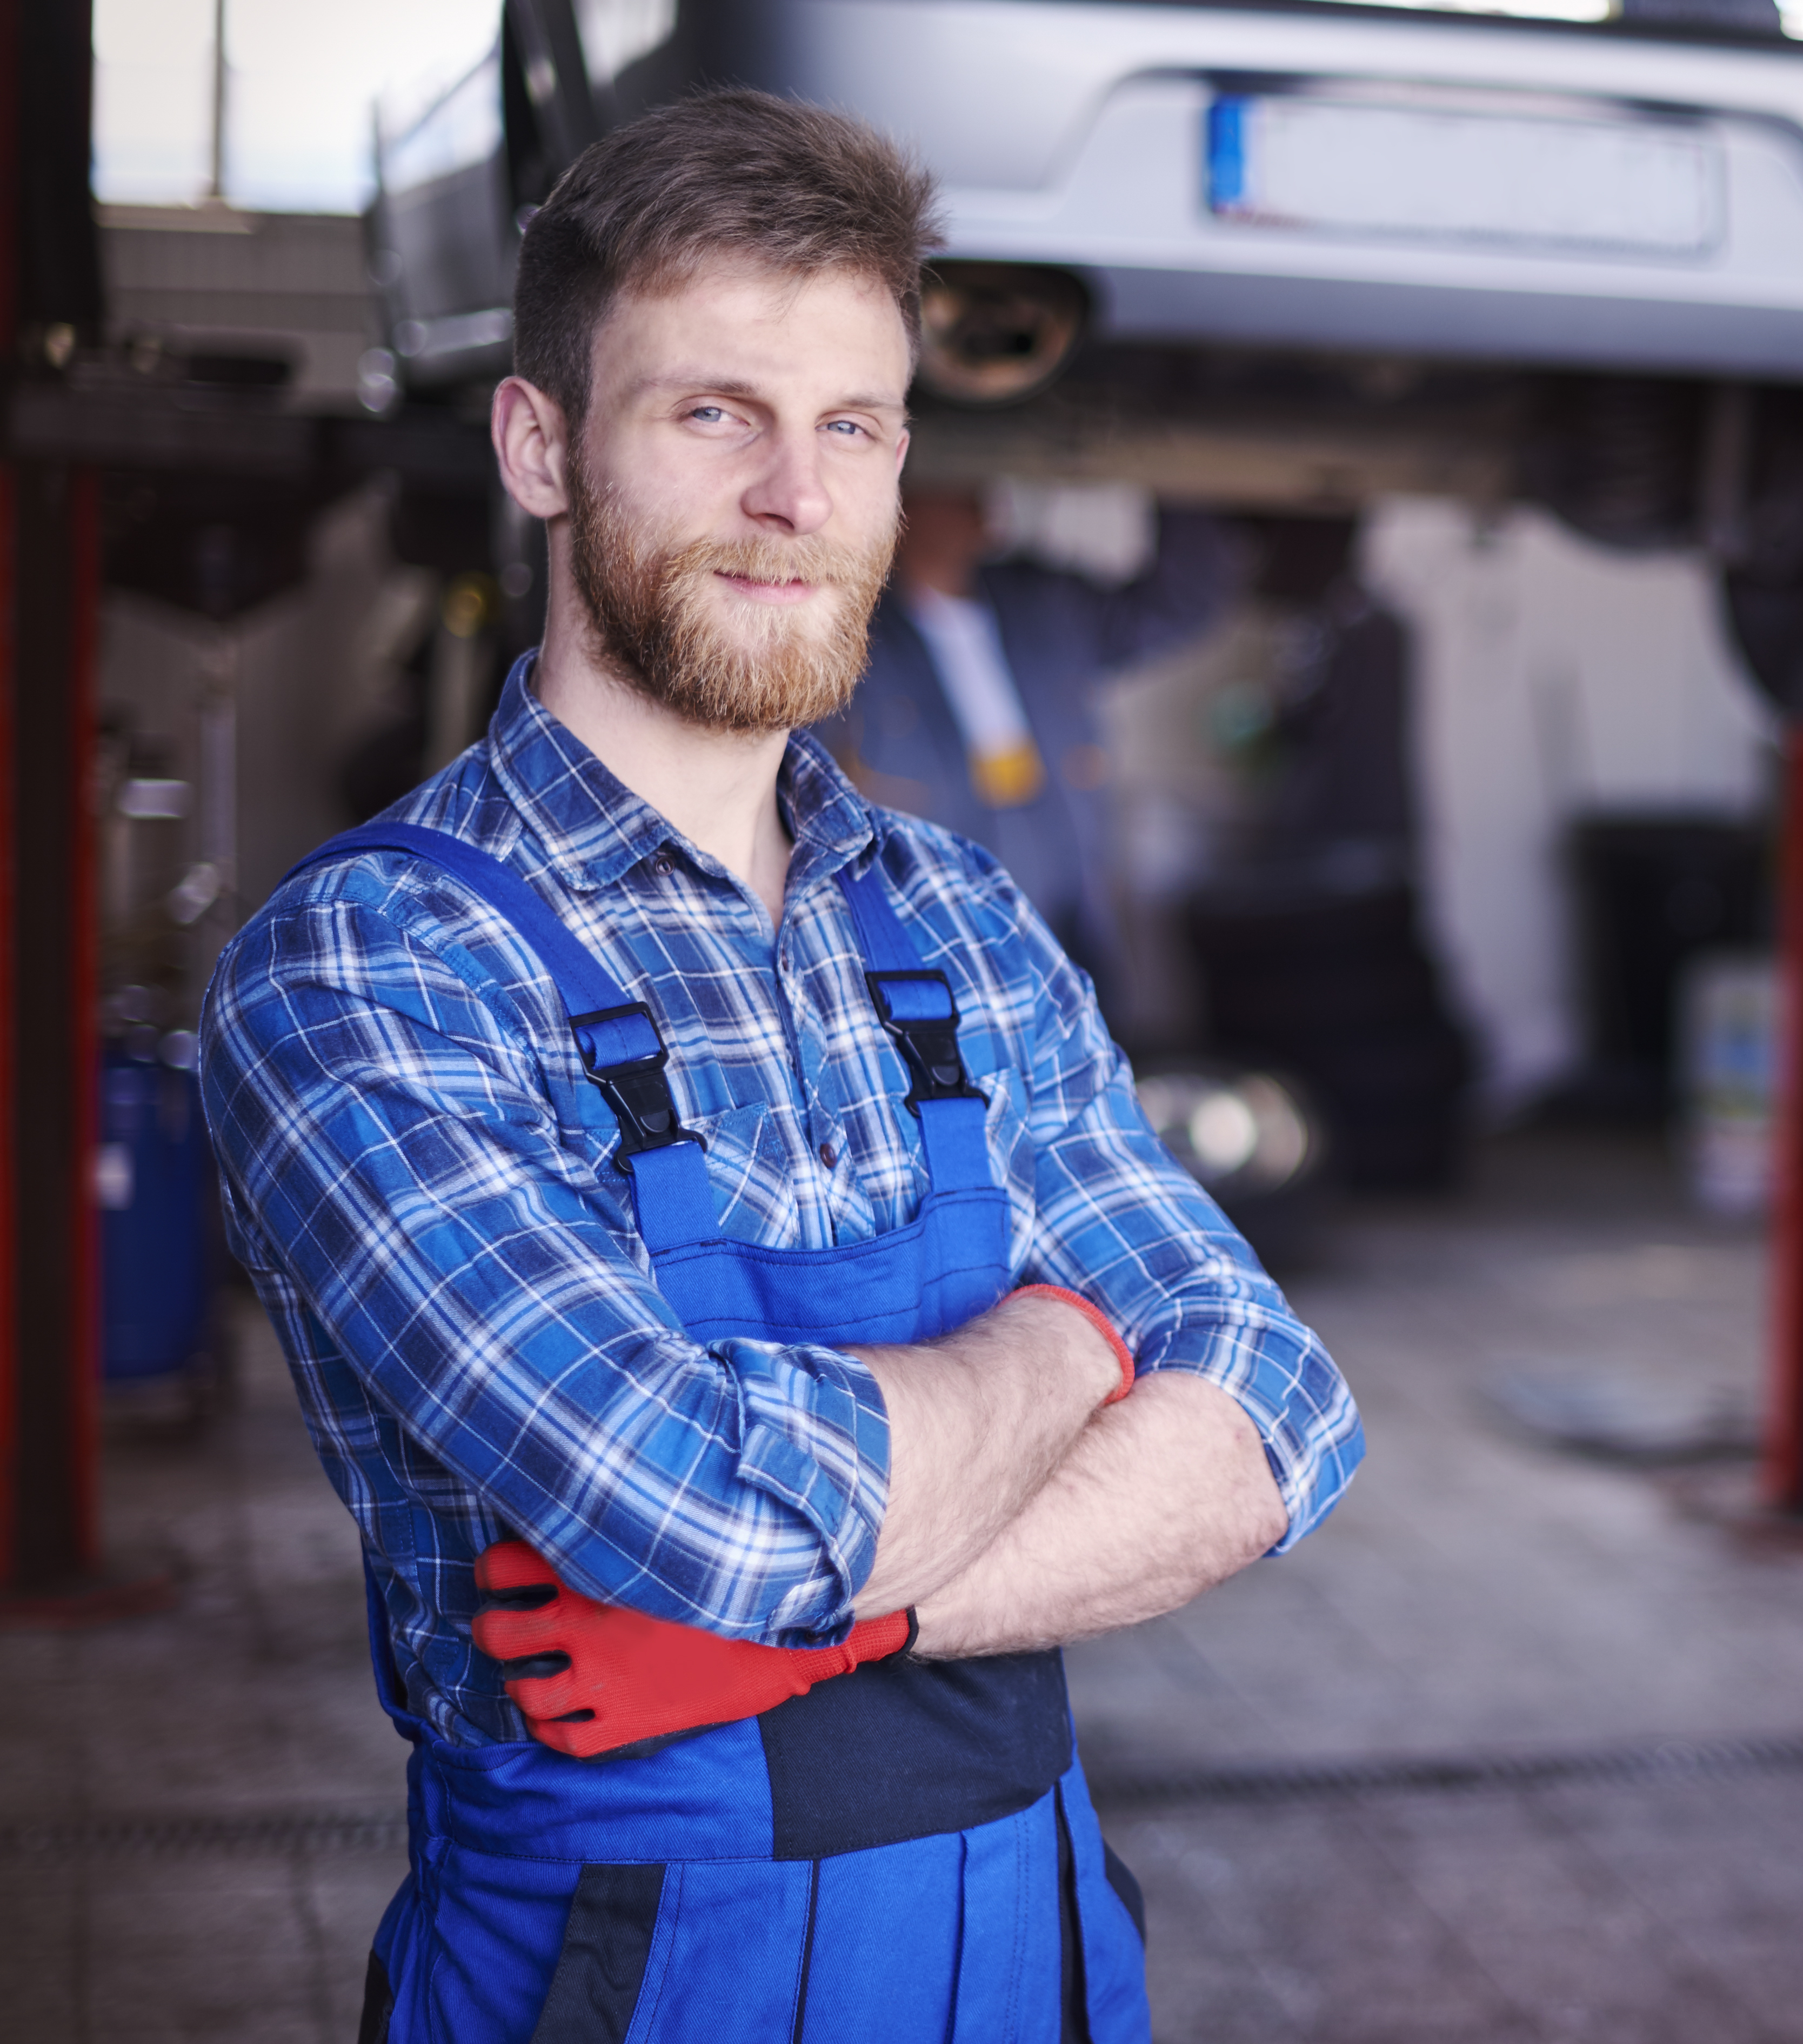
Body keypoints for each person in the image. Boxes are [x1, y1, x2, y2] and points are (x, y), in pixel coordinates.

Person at [199, 90, 1360, 2044]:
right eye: (711, 412)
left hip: (1039, 1967)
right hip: (628, 1980)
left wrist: (865, 1613)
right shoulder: (368, 966)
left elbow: (1277, 1417)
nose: (795, 498)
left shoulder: (962, 920)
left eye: (853, 426)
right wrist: (1066, 1347)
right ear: (541, 442)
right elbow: (714, 1518)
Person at [816, 486, 1241, 983]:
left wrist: (1179, 474)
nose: (979, 495)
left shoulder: (1042, 601)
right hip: (937, 914)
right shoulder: (846, 633)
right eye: (950, 481)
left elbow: (1180, 603)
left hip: (1069, 883)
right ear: (895, 502)